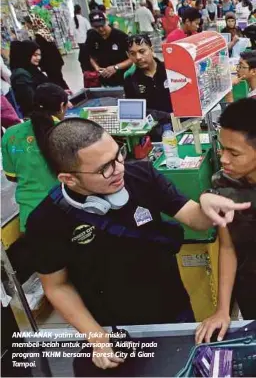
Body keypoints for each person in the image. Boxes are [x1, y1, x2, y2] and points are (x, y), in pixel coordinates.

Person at [25, 117, 250, 370]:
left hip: (173, 310)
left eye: (118, 155)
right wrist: (96, 337)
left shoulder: (141, 175)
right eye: (104, 168)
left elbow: (193, 218)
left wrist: (207, 203)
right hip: (113, 329)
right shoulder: (45, 222)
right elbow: (57, 286)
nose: (119, 169)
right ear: (69, 179)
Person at [195, 99, 256, 344]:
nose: (224, 159)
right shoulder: (223, 183)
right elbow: (228, 247)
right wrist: (222, 310)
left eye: (234, 153)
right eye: (222, 149)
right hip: (250, 286)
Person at [1, 83, 71, 232]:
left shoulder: (10, 134)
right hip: (67, 214)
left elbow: (11, 176)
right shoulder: (68, 132)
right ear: (61, 106)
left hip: (30, 218)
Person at [124, 34, 172, 126]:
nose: (138, 57)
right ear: (128, 55)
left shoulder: (171, 71)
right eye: (132, 53)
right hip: (151, 131)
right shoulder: (130, 80)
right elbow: (133, 113)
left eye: (142, 51)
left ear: (151, 49)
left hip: (179, 126)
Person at [85, 11, 132, 86]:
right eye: (96, 27)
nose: (100, 29)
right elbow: (91, 56)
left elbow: (133, 58)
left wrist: (115, 67)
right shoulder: (92, 36)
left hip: (123, 79)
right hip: (104, 80)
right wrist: (97, 67)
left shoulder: (120, 36)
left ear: (106, 21)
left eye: (102, 25)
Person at [24, 14, 69, 90]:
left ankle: (66, 97)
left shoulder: (39, 36)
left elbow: (42, 51)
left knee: (56, 82)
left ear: (32, 23)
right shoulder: (44, 31)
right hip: (55, 61)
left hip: (50, 63)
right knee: (59, 80)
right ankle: (68, 95)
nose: (26, 25)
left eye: (27, 23)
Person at [10, 40, 48, 117]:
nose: (38, 58)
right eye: (35, 55)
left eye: (39, 55)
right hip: (37, 116)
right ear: (26, 54)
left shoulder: (32, 69)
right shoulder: (21, 75)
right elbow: (30, 101)